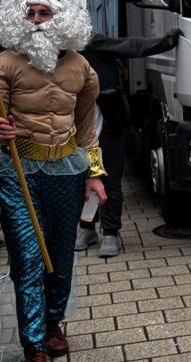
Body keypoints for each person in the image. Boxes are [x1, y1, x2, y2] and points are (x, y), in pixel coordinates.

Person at [0, 0, 105, 362]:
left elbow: (86, 127)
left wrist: (96, 173)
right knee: (28, 258)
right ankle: (34, 353)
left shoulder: (81, 67)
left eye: (44, 11)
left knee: (60, 256)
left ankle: (54, 323)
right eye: (29, 12)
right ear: (18, 18)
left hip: (66, 170)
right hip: (19, 174)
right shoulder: (1, 67)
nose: (36, 19)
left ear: (60, 17)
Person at [75, 29, 180, 256]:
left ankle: (110, 232)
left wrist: (166, 41)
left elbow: (129, 45)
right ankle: (87, 227)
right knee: (87, 180)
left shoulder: (89, 41)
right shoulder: (49, 51)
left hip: (106, 122)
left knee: (109, 178)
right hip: (75, 129)